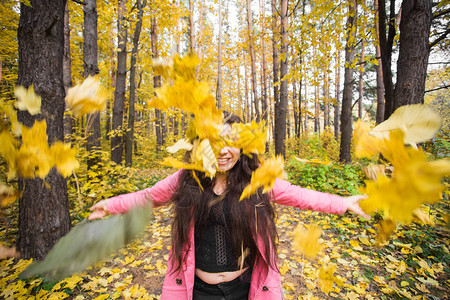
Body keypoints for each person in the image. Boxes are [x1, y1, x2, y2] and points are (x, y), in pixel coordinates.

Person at [89, 113, 370, 300]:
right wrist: (110, 206)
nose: (223, 151)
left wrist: (342, 203)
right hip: (196, 290)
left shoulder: (256, 181)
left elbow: (299, 196)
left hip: (244, 289)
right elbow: (147, 197)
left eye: (231, 142)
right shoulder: (186, 179)